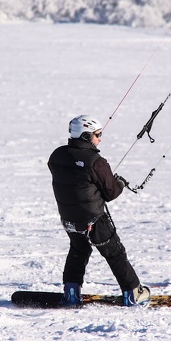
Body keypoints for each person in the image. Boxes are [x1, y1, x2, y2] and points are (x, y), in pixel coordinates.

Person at [47, 115, 151, 307]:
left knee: (79, 250)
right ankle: (133, 293)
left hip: (69, 219)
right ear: (86, 136)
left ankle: (71, 293)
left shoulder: (56, 155)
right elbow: (110, 192)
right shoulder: (95, 161)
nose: (100, 139)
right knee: (115, 253)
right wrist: (119, 182)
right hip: (93, 219)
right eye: (97, 134)